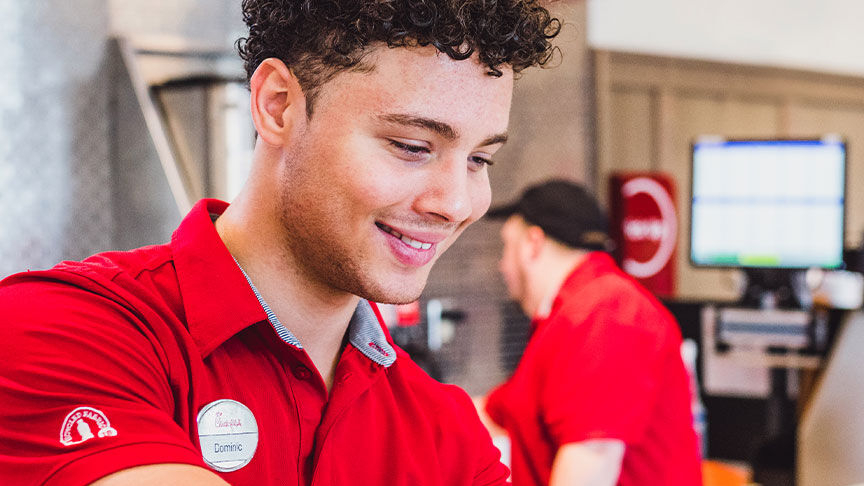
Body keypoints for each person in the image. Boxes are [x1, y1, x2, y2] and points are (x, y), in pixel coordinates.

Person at [0, 1, 561, 485]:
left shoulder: (444, 433)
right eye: (411, 146)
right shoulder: (65, 333)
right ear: (278, 106)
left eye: (479, 160)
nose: (456, 203)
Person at [478, 179, 703, 486]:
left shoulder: (604, 311)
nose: (502, 265)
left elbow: (590, 466)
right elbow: (494, 413)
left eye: (507, 246)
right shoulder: (570, 316)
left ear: (533, 244)